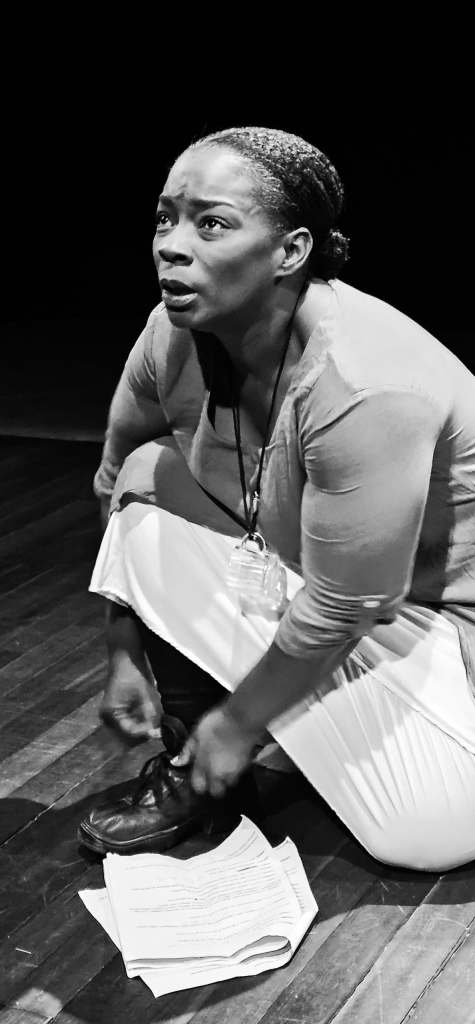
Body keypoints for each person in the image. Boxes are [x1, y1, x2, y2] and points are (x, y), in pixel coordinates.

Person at [78, 126, 475, 871]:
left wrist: (236, 724)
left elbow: (348, 605)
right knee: (150, 478)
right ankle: (200, 767)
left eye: (211, 223)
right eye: (165, 217)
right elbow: (121, 478)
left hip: (445, 626)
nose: (170, 245)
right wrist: (122, 646)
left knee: (425, 838)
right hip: (335, 590)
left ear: (290, 251)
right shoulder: (170, 334)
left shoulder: (367, 382)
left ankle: (262, 728)